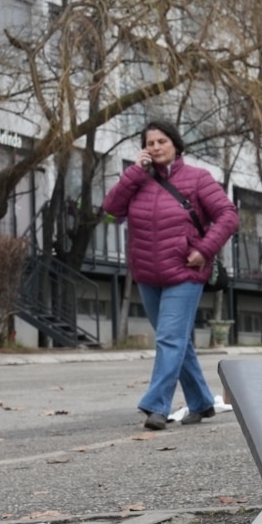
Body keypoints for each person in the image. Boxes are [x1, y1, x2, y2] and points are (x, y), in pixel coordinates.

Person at [102, 120, 237, 430]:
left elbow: (228, 216)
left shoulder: (197, 179)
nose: (156, 147)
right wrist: (133, 172)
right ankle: (202, 402)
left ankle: (156, 406)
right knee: (177, 342)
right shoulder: (138, 181)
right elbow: (111, 209)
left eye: (162, 141)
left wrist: (204, 250)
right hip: (147, 274)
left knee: (169, 338)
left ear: (176, 145)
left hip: (185, 272)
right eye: (150, 142)